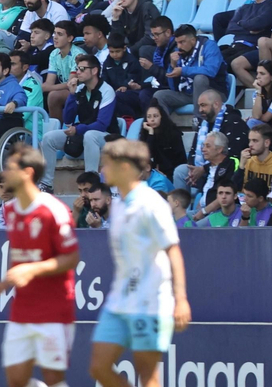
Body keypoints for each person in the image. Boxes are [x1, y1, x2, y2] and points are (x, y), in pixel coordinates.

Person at [89, 139, 191, 387]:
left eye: (107, 163)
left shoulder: (151, 203)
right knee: (99, 367)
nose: (102, 169)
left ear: (124, 167)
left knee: (148, 377)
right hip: (119, 301)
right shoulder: (119, 206)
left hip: (150, 301)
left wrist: (180, 298)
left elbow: (172, 250)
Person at [0, 146, 79, 387]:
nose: (4, 174)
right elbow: (25, 257)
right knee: (16, 380)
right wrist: (8, 281)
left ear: (27, 173)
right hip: (22, 309)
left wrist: (31, 270)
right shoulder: (10, 211)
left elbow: (71, 258)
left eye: (9, 168)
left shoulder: (53, 210)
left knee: (53, 379)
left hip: (53, 309)